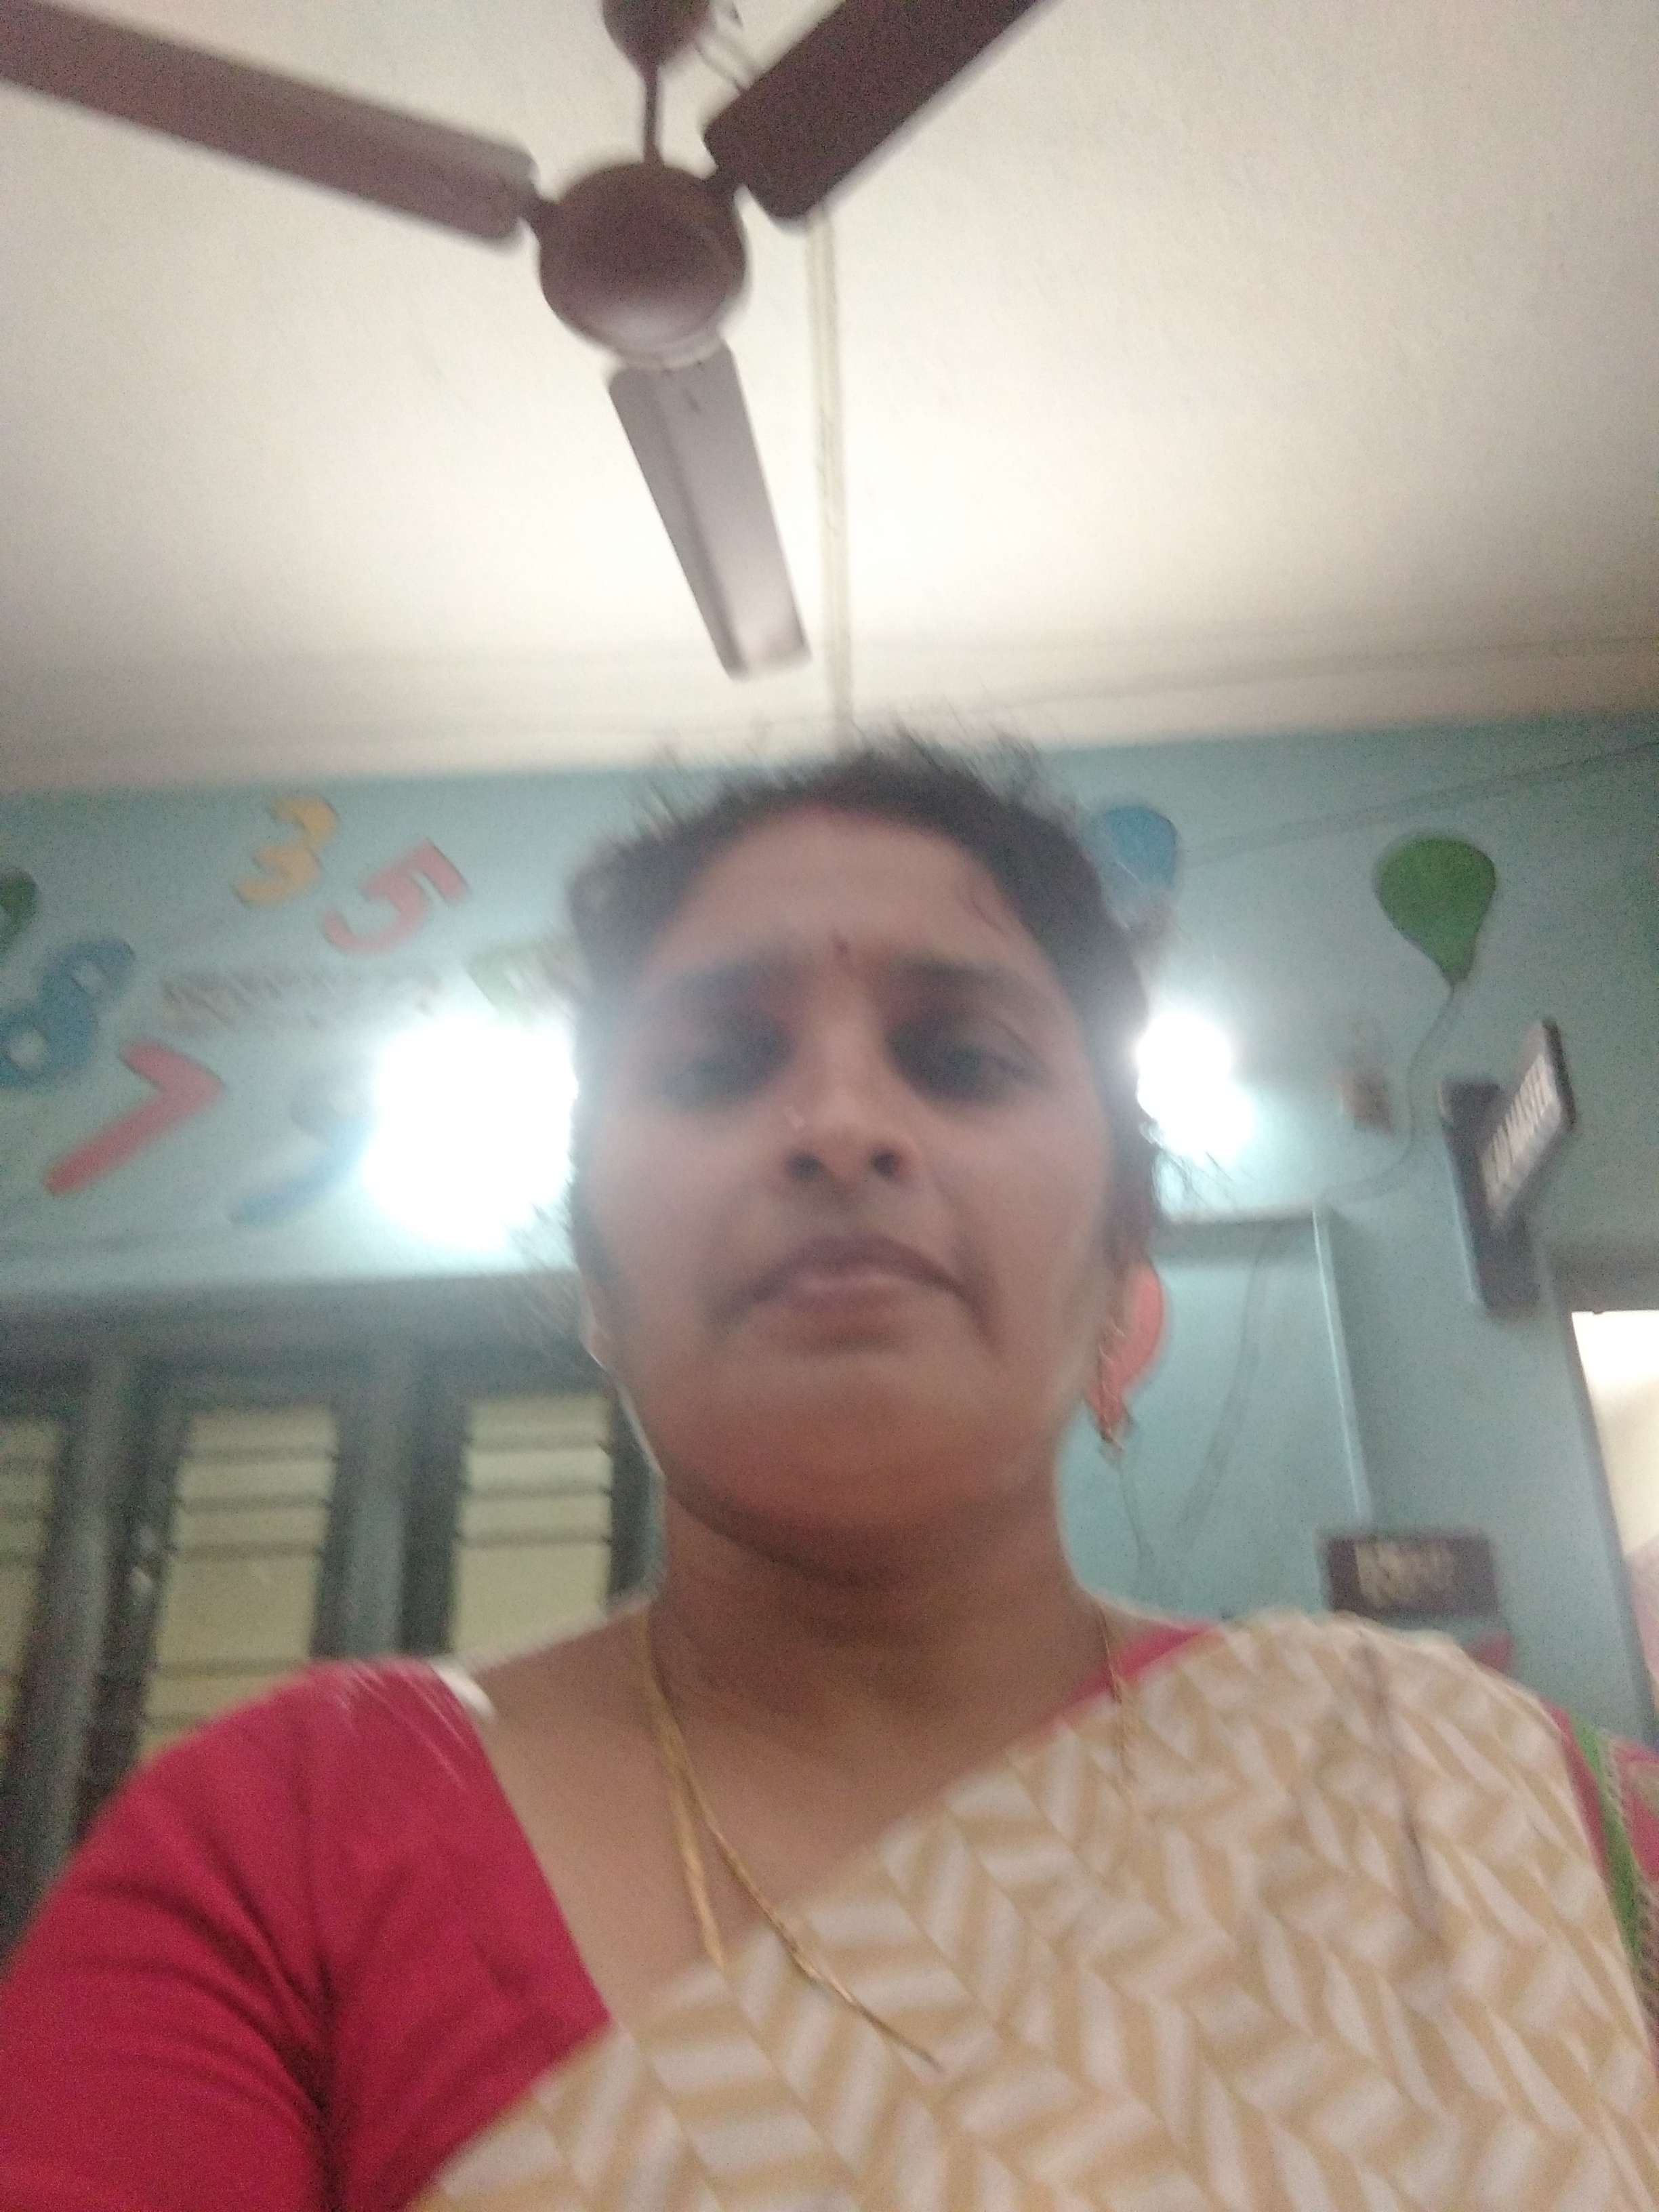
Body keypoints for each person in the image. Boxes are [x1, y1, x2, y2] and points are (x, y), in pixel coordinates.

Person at [1, 742, 1656, 2212]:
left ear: (1119, 1265)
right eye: (718, 1065)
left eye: (965, 1058)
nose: (843, 1123)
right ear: (594, 1276)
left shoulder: (1488, 1825)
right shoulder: (278, 1851)